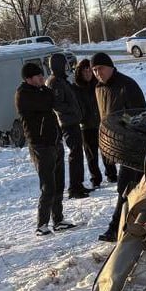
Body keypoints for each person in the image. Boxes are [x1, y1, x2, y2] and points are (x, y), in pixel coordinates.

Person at [91, 52, 146, 243]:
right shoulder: (99, 88)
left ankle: (115, 228)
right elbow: (103, 117)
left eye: (101, 69)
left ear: (110, 66)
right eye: (94, 70)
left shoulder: (126, 85)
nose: (98, 73)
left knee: (124, 187)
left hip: (133, 144)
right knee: (132, 188)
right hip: (115, 146)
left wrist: (120, 123)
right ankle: (134, 225)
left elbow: (140, 115)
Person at [15, 62, 74, 235]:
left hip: (55, 141)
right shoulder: (23, 94)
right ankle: (42, 224)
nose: (42, 78)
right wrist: (47, 93)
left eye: (42, 75)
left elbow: (51, 98)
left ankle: (58, 219)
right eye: (38, 76)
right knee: (48, 186)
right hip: (40, 145)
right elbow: (46, 102)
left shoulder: (42, 91)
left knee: (59, 183)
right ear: (28, 78)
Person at [45, 53, 89, 199]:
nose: (67, 66)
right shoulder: (54, 82)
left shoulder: (62, 80)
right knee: (75, 153)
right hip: (67, 123)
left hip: (73, 121)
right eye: (64, 64)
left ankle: (78, 184)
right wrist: (72, 109)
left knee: (77, 153)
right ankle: (74, 188)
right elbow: (57, 104)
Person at [74, 58, 115, 188]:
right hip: (86, 126)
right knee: (91, 154)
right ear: (79, 73)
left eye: (89, 71)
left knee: (106, 150)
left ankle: (112, 174)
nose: (88, 74)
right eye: (84, 72)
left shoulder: (98, 85)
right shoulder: (76, 88)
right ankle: (95, 178)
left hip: (101, 123)